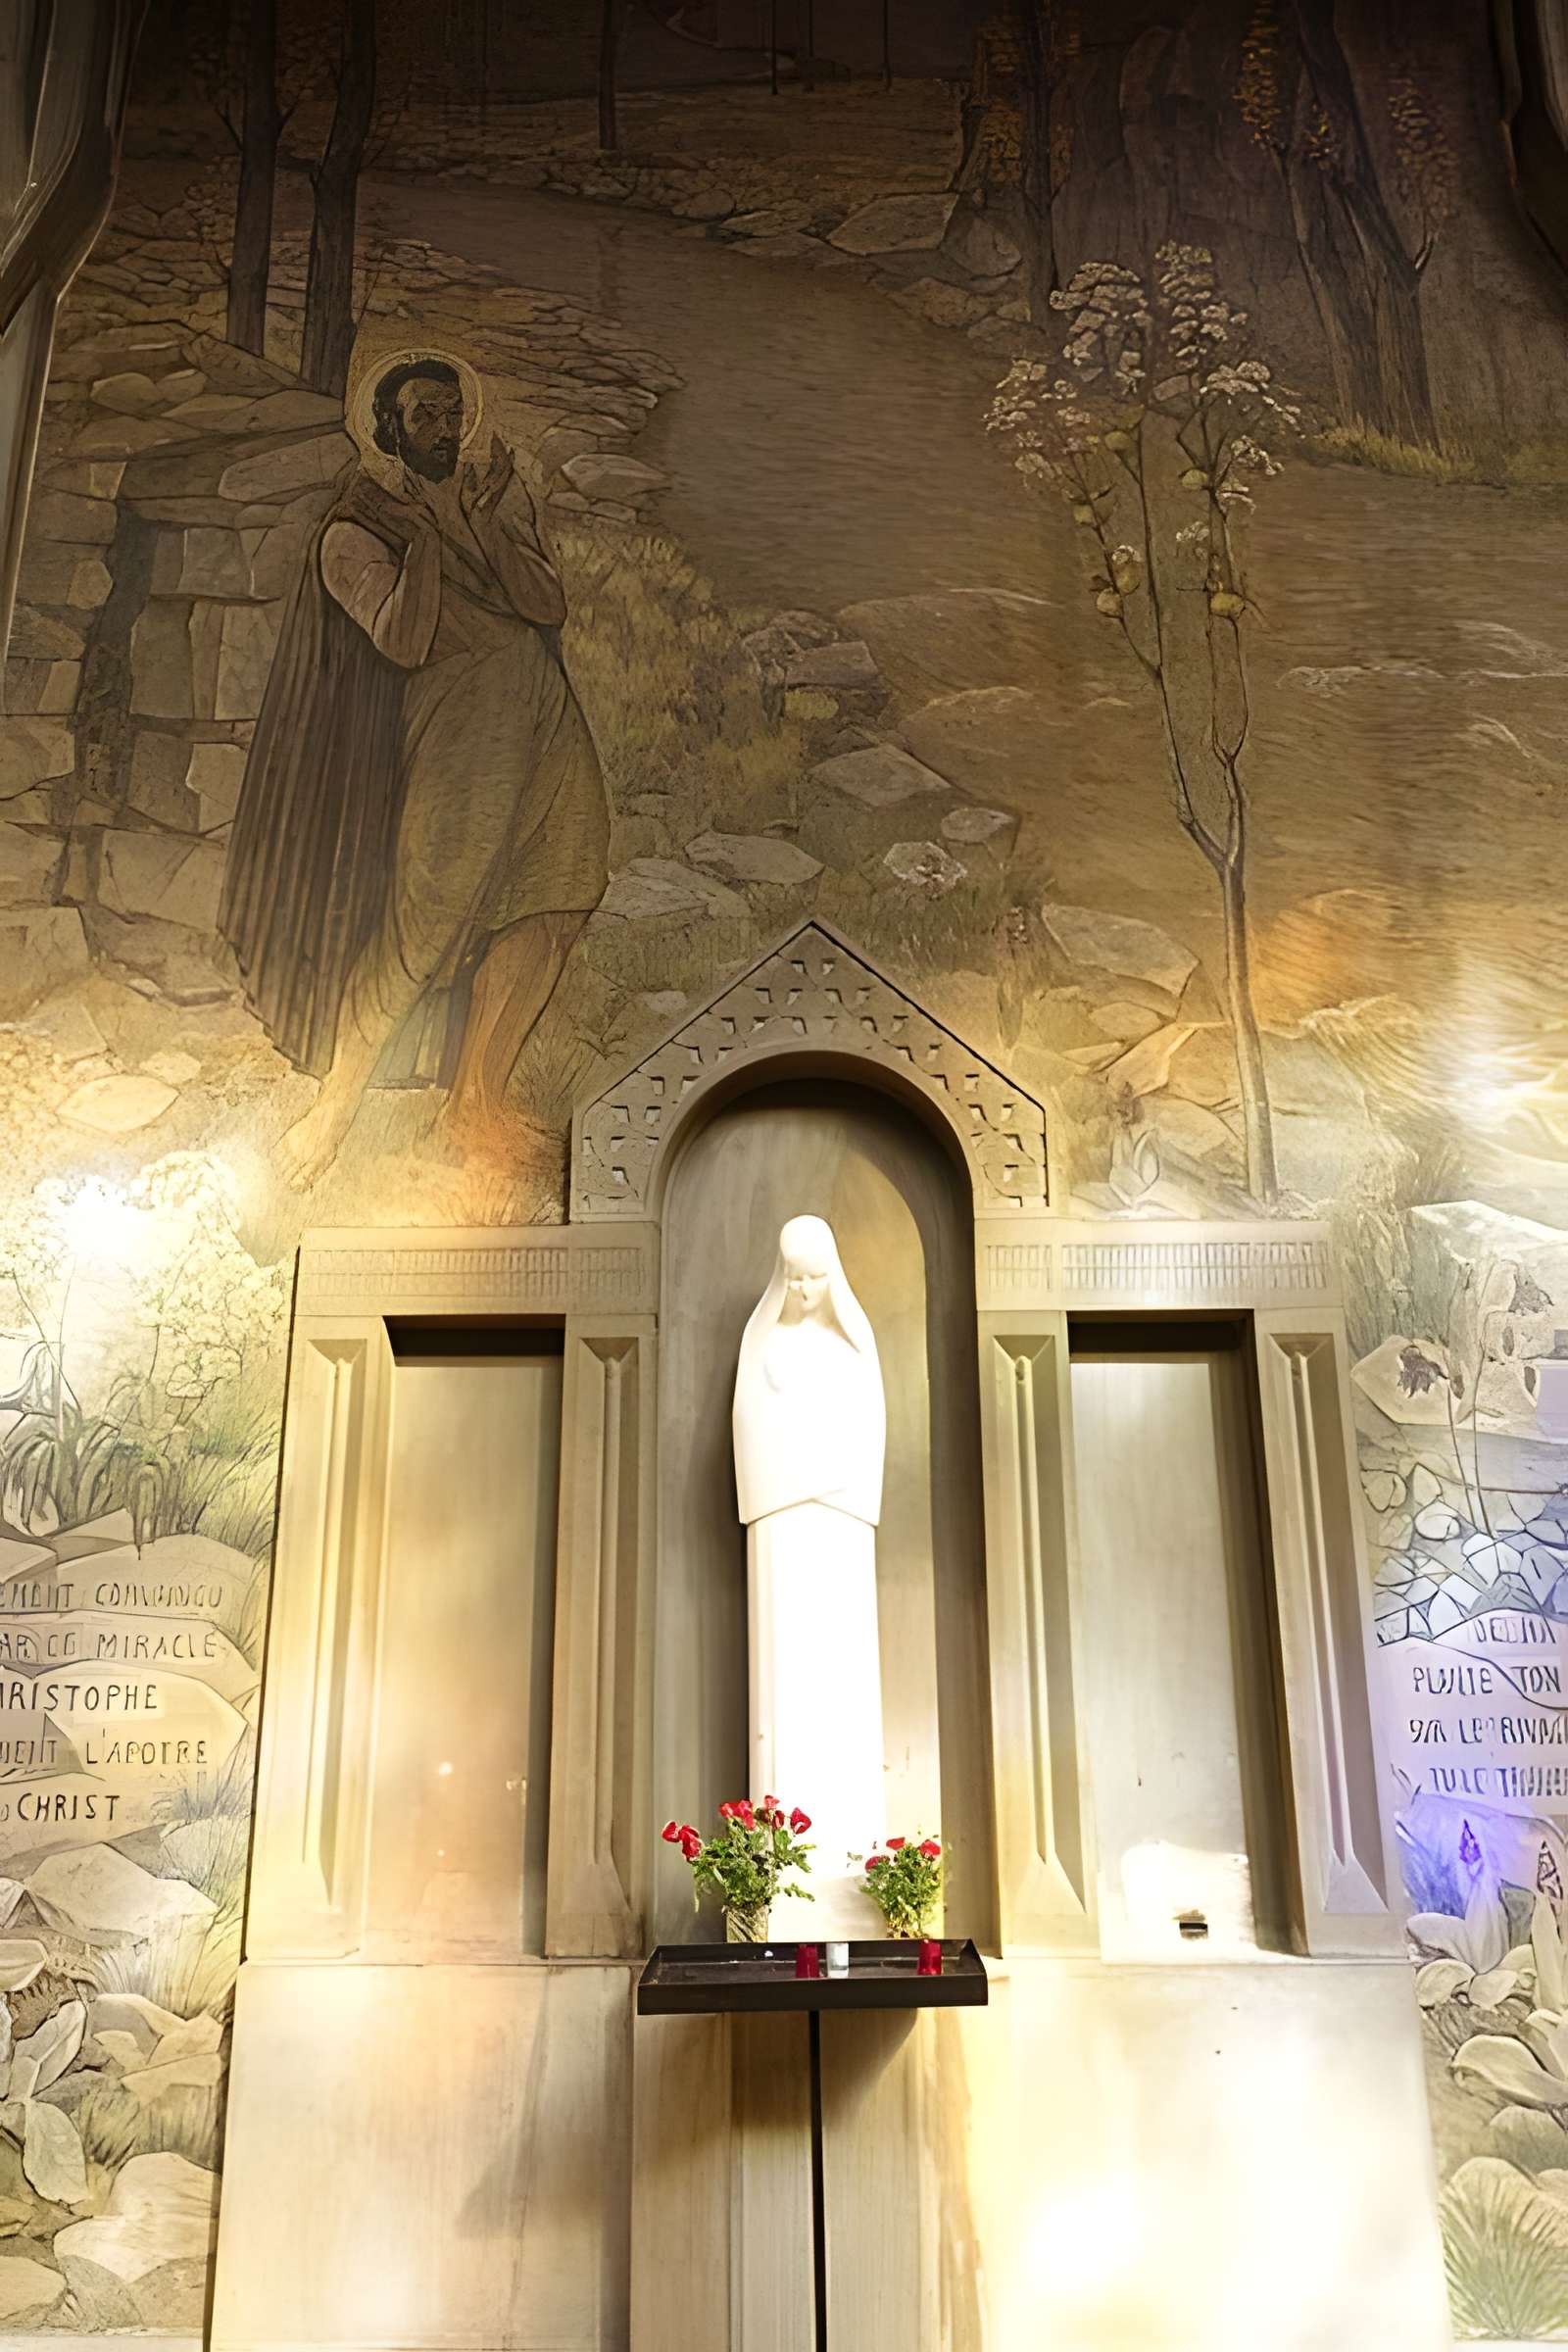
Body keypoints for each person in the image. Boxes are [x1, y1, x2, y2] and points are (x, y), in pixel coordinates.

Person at [219, 353, 610, 1189]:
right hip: (460, 730)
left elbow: (546, 604)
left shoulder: (493, 498)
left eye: (453, 413)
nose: (444, 430)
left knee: (556, 897)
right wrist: (429, 544)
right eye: (425, 416)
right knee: (422, 926)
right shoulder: (354, 529)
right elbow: (402, 639)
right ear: (389, 431)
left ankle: (475, 1102)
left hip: (545, 717)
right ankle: (334, 1111)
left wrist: (488, 527)